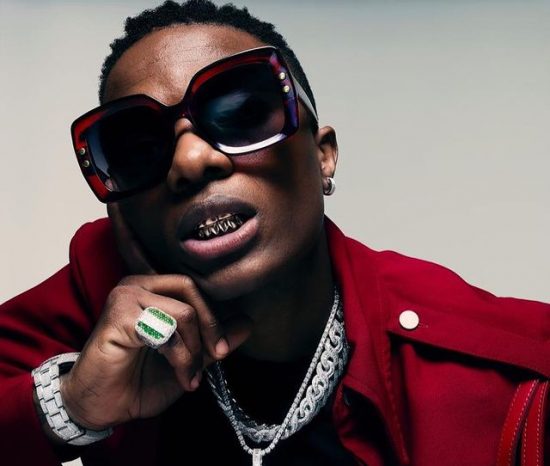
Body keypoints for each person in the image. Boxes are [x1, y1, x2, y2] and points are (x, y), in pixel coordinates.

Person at [0, 1, 548, 465]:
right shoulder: (100, 293)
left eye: (240, 112)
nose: (189, 161)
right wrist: (71, 405)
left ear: (322, 154)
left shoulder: (509, 377)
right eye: (139, 148)